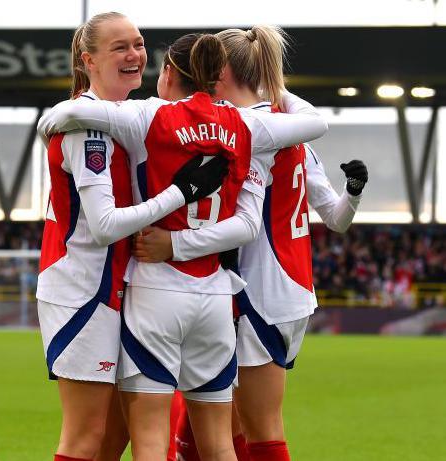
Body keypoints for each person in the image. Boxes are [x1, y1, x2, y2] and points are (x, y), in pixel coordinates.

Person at [38, 33, 328, 461]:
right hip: (215, 296)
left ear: (170, 73)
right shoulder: (245, 125)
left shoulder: (150, 116)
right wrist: (278, 88)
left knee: (152, 440)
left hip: (155, 291)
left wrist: (52, 122)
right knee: (219, 444)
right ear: (216, 76)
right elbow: (314, 128)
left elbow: (81, 111)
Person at [138, 26, 368, 461]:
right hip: (291, 289)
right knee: (209, 422)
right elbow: (335, 217)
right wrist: (353, 194)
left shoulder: (249, 127)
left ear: (220, 71)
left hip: (259, 288)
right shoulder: (288, 126)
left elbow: (244, 224)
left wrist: (174, 245)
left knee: (258, 432)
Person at [37, 12, 229, 461]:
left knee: (117, 437)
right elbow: (104, 226)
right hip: (84, 290)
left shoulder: (128, 116)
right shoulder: (88, 130)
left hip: (123, 288)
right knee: (87, 438)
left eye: (139, 44)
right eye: (119, 47)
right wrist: (181, 193)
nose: (134, 55)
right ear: (88, 59)